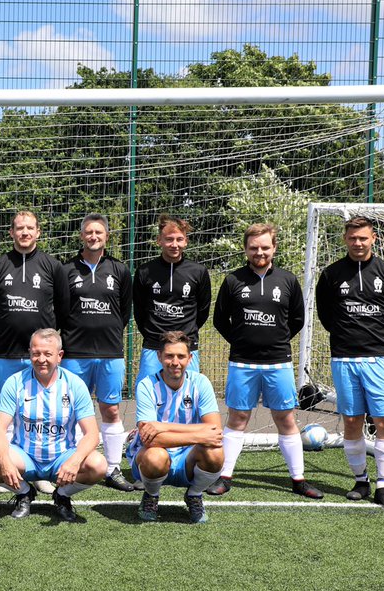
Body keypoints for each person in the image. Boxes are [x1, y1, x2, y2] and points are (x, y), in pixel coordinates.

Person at [209, 223, 322, 498]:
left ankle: (298, 480)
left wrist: (275, 341)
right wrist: (241, 342)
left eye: (264, 247)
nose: (259, 252)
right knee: (238, 417)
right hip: (242, 363)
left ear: (274, 248)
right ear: (246, 249)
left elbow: (297, 319)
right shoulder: (233, 280)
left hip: (278, 363)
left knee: (285, 418)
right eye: (253, 247)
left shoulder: (287, 280)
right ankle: (225, 477)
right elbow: (220, 320)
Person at [314, 216, 384, 510]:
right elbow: (325, 315)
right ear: (345, 239)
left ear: (374, 239)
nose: (358, 243)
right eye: (353, 238)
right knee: (353, 421)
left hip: (380, 357)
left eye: (363, 238)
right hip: (344, 358)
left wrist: (375, 335)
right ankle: (360, 481)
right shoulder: (331, 275)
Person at [0, 328, 105, 522]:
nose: (41, 359)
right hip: (25, 456)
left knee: (98, 465)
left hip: (62, 458)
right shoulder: (15, 382)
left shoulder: (75, 384)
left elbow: (92, 434)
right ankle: (24, 493)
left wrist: (75, 460)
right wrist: (4, 461)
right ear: (30, 353)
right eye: (36, 353)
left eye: (48, 354)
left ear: (59, 356)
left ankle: (62, 495)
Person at [62, 213, 133, 491]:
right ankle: (71, 462)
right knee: (71, 412)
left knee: (111, 409)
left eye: (99, 233)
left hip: (110, 353)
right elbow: (60, 310)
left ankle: (113, 468)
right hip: (74, 354)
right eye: (89, 232)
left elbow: (123, 311)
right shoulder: (66, 270)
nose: (94, 237)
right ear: (82, 236)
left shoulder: (119, 270)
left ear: (106, 236)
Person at [128, 331, 224, 524]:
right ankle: (151, 495)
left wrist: (161, 427)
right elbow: (150, 439)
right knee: (156, 455)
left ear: (190, 358)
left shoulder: (201, 382)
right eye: (169, 356)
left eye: (181, 356)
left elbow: (214, 432)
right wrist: (199, 434)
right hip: (153, 456)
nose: (175, 362)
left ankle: (194, 495)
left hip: (188, 458)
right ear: (159, 357)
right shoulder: (147, 385)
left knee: (215, 453)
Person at [0, 211, 68, 393]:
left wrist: (47, 333)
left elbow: (64, 308)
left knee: (43, 407)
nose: (25, 232)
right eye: (20, 228)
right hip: (7, 352)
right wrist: (7, 328)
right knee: (9, 409)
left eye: (30, 228)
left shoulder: (53, 266)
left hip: (43, 355)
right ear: (11, 232)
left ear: (38, 232)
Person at [132, 215, 212, 382]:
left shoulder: (198, 271)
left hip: (187, 346)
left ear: (186, 241)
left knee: (188, 398)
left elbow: (203, 310)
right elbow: (139, 310)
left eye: (179, 239)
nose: (174, 244)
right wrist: (152, 333)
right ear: (159, 240)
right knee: (149, 394)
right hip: (154, 347)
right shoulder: (145, 271)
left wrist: (187, 333)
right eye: (169, 239)